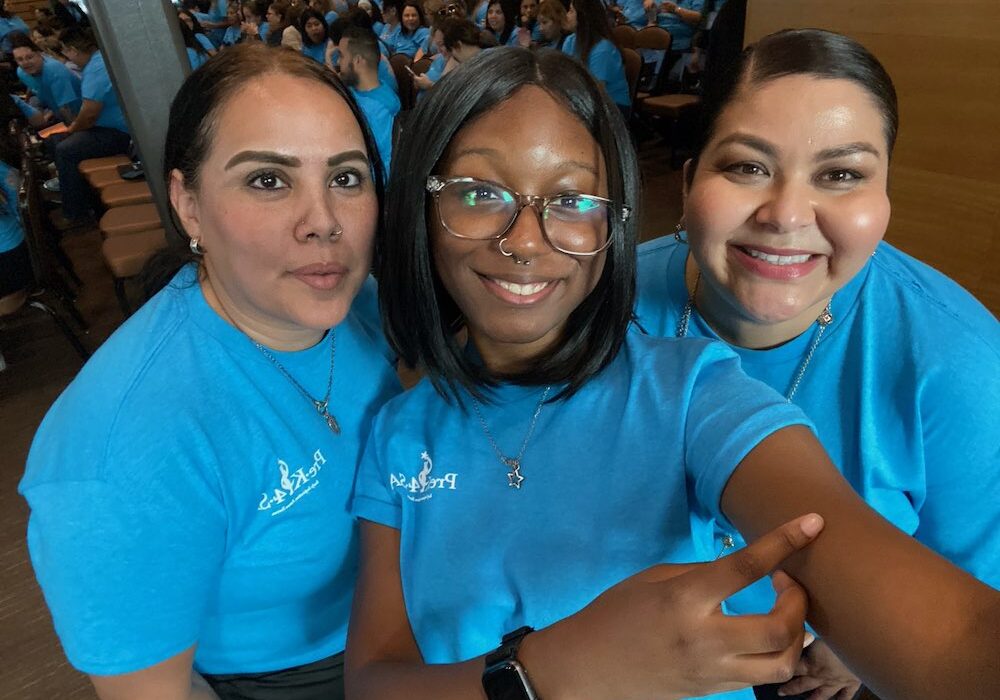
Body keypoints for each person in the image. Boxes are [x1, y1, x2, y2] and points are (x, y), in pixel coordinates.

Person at [343, 46, 1000, 700]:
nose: (523, 240)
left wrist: (867, 635)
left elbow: (948, 627)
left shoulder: (696, 389)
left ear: (614, 222)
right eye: (481, 193)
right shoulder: (401, 430)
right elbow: (374, 680)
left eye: (572, 200)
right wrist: (551, 670)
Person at [20, 44, 401, 700]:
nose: (325, 223)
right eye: (268, 180)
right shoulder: (122, 453)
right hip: (298, 678)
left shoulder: (359, 309)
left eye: (345, 177)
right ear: (188, 203)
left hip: (416, 611)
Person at [634, 27, 1000, 700]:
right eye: (747, 166)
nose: (786, 215)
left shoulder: (960, 364)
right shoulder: (605, 309)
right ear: (689, 183)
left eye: (841, 175)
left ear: (884, 200)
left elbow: (976, 581)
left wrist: (859, 644)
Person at [48, 26, 131, 224]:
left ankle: (76, 213)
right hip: (110, 128)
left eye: (66, 52)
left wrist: (73, 129)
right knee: (56, 140)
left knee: (65, 149)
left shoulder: (96, 68)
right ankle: (80, 198)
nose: (68, 58)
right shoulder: (98, 61)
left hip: (121, 133)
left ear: (73, 50)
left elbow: (89, 114)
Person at [339, 26, 398, 176]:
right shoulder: (358, 92)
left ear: (357, 60)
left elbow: (384, 171)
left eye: (341, 56)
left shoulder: (381, 110)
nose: (339, 63)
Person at [562, 0, 630, 114]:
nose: (567, 15)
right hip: (582, 99)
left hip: (612, 107)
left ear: (583, 16)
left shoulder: (603, 49)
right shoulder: (569, 41)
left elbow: (598, 91)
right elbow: (564, 75)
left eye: (571, 11)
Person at [10, 32, 81, 124]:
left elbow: (66, 108)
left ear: (40, 54)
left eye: (29, 57)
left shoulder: (54, 70)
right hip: (57, 113)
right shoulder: (21, 72)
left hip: (79, 116)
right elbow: (36, 89)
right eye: (20, 59)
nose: (26, 62)